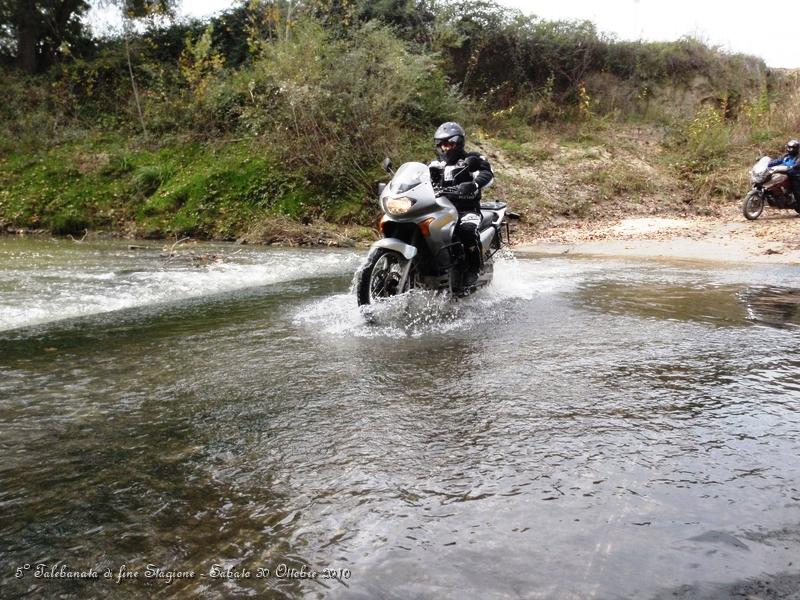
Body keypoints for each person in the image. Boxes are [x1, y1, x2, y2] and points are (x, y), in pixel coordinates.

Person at [428, 122, 494, 286]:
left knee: (467, 230)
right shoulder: (434, 164)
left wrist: (474, 184)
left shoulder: (472, 158)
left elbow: (487, 174)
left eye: (449, 144)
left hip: (467, 209)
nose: (446, 148)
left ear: (458, 143)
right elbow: (418, 181)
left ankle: (474, 269)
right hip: (441, 210)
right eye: (442, 144)